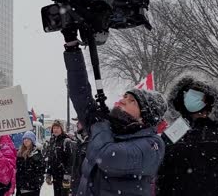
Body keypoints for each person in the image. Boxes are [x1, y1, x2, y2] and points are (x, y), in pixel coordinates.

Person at [61, 28, 167, 196]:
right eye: (125, 96)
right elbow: (80, 94)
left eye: (132, 101)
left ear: (144, 115)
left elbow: (108, 157)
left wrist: (101, 125)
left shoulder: (152, 145)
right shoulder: (109, 130)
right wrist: (72, 48)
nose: (124, 100)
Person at [156, 76, 218, 196]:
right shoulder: (172, 133)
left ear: (210, 99)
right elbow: (163, 175)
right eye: (186, 93)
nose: (188, 96)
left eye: (196, 94)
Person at [45, 120, 72, 196]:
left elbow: (70, 160)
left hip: (64, 176)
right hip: (55, 175)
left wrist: (67, 175)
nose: (55, 130)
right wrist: (48, 173)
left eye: (57, 128)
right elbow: (50, 159)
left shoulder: (66, 141)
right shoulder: (52, 141)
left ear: (61, 129)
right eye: (54, 128)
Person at [16, 131, 45, 196]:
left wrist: (33, 183)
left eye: (28, 139)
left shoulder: (36, 154)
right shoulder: (19, 153)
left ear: (32, 141)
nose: (26, 141)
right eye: (24, 139)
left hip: (31, 187)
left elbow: (40, 171)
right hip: (20, 186)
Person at [70, 120, 89, 195]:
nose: (77, 124)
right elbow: (74, 165)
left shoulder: (92, 140)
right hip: (77, 182)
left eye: (79, 121)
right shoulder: (78, 141)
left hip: (87, 184)